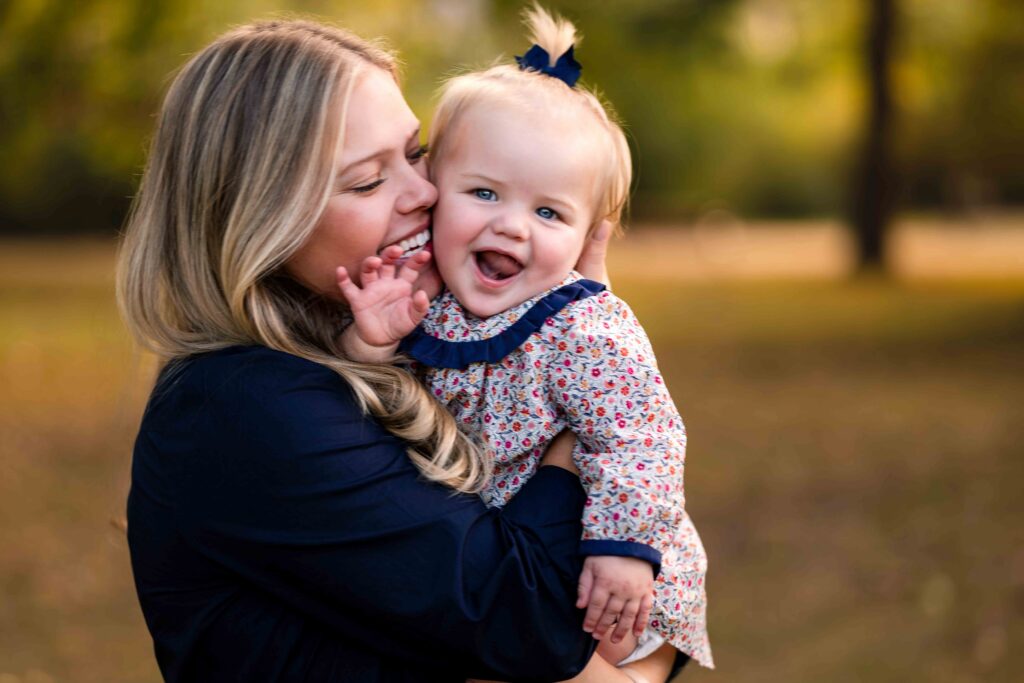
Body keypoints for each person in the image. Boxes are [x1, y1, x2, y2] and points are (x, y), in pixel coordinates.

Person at [116, 18, 625, 682]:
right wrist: (589, 409)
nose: (426, 193)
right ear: (262, 219)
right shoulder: (243, 404)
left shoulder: (403, 344)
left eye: (415, 153)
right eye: (366, 182)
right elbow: (534, 622)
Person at [335, 5, 713, 678]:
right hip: (501, 560)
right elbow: (369, 403)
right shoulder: (425, 295)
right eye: (483, 192)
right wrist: (367, 343)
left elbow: (644, 436)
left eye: (548, 212)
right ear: (434, 194)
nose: (512, 227)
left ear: (587, 234)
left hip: (605, 564)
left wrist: (623, 547)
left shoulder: (581, 326)